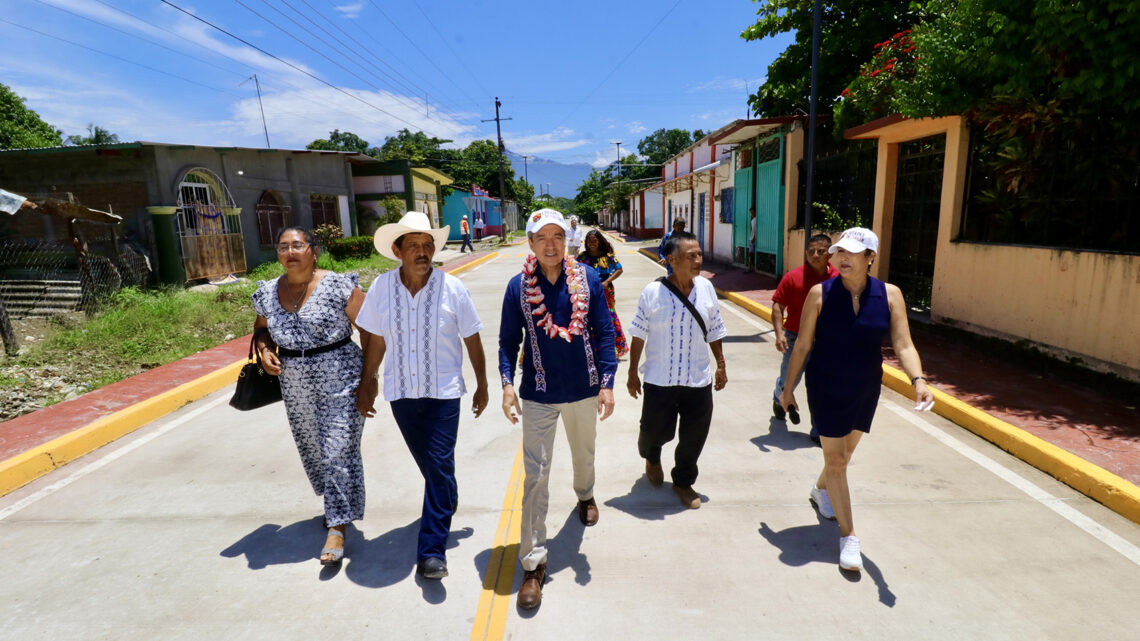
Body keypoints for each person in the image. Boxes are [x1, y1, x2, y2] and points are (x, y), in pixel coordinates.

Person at [778, 227, 934, 573]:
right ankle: (849, 538)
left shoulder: (890, 295)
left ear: (870, 258)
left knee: (844, 455)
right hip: (826, 385)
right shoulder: (820, 294)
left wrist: (918, 381)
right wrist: (787, 390)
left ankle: (821, 492)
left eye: (851, 252)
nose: (841, 258)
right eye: (839, 252)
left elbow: (904, 344)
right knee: (836, 461)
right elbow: (801, 345)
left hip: (865, 386)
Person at [355, 212, 489, 580]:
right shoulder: (382, 287)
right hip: (402, 393)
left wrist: (483, 383)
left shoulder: (453, 288)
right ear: (397, 250)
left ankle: (432, 551)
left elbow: (472, 337)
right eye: (413, 245)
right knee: (434, 467)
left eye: (427, 245)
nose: (422, 252)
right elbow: (376, 338)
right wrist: (368, 382)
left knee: (439, 463)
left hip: (444, 392)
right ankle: (446, 494)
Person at [498, 208, 618, 610]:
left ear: (568, 240)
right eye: (541, 237)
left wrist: (607, 383)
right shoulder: (518, 288)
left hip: (584, 390)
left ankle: (585, 495)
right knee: (536, 475)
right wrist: (505, 385)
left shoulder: (589, 281)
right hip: (537, 394)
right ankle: (533, 564)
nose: (550, 244)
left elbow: (603, 332)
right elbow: (505, 341)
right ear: (530, 243)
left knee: (584, 456)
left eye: (557, 236)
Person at [250, 227, 367, 566]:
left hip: (342, 376)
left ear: (313, 251)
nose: (291, 252)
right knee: (313, 449)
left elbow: (372, 331)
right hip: (295, 383)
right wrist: (264, 348)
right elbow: (261, 327)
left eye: (298, 245)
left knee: (338, 449)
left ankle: (337, 526)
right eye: (283, 246)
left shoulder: (339, 285)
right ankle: (335, 499)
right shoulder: (269, 292)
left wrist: (369, 381)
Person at [627, 231, 727, 509]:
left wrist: (721, 364)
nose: (698, 260)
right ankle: (652, 455)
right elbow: (638, 333)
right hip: (660, 380)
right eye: (691, 255)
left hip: (697, 379)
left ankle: (683, 481)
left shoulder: (706, 289)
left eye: (699, 254)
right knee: (653, 432)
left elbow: (715, 329)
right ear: (671, 260)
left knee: (694, 436)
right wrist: (632, 372)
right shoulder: (652, 292)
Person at [770, 233, 838, 443]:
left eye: (821, 251)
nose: (815, 255)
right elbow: (778, 306)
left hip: (826, 341)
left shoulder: (839, 279)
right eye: (811, 251)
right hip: (795, 338)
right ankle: (779, 395)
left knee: (819, 385)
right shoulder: (793, 277)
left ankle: (818, 430)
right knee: (791, 379)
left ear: (830, 254)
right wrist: (780, 333)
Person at [576, 229, 629, 358]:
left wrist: (607, 282)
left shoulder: (607, 256)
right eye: (589, 241)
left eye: (594, 241)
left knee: (609, 317)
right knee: (589, 317)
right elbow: (574, 270)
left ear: (599, 241)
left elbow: (619, 269)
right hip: (586, 292)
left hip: (605, 291)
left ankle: (616, 348)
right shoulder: (583, 257)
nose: (591, 243)